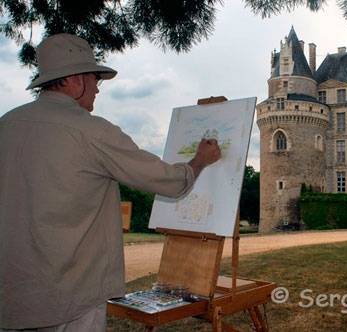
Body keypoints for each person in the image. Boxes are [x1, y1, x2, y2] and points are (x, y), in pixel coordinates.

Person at [0, 34, 221, 331]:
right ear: (77, 80)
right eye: (95, 80)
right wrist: (199, 161)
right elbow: (168, 182)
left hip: (12, 296)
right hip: (71, 297)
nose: (97, 90)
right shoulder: (91, 131)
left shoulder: (7, 124)